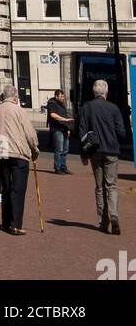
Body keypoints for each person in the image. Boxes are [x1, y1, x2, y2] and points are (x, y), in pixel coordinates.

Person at [0, 83, 40, 235]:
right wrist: (34, 149)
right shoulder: (19, 110)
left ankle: (5, 221)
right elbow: (30, 134)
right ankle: (15, 224)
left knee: (6, 188)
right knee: (18, 190)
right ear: (15, 97)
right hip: (17, 153)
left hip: (0, 154)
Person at [78, 78, 126, 235]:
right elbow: (121, 132)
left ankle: (103, 222)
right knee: (111, 185)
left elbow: (82, 131)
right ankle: (114, 215)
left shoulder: (87, 107)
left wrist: (83, 154)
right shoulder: (113, 108)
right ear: (106, 92)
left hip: (95, 151)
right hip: (112, 150)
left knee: (99, 187)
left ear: (94, 92)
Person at [46, 88, 74, 175]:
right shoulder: (51, 103)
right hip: (57, 129)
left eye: (63, 97)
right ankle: (57, 168)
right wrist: (65, 120)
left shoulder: (62, 104)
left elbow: (64, 115)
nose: (63, 98)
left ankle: (63, 167)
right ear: (56, 96)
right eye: (61, 96)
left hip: (64, 129)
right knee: (59, 149)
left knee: (65, 150)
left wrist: (68, 128)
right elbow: (53, 115)